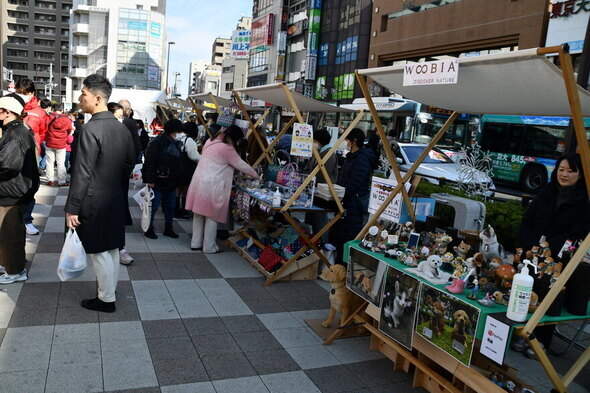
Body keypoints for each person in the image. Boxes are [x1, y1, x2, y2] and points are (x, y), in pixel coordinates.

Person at [65, 74, 135, 312]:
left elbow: (81, 172)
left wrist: (72, 207)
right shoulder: (122, 128)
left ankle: (106, 299)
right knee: (111, 248)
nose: (79, 97)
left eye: (83, 93)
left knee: (99, 251)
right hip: (114, 195)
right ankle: (108, 292)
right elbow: (130, 162)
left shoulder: (90, 129)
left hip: (94, 199)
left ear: (97, 98)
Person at [513, 153, 590, 358]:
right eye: (561, 169)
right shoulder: (546, 191)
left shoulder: (584, 201)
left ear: (581, 175)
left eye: (570, 171)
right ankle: (519, 333)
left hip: (558, 259)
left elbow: (576, 234)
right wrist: (532, 245)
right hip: (531, 254)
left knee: (550, 297)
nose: (564, 174)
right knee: (525, 295)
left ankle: (541, 341)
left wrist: (548, 249)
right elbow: (527, 221)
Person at [186, 125, 259, 253]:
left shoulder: (210, 141)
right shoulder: (227, 148)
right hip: (212, 184)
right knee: (211, 215)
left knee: (198, 213)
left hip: (198, 180)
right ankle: (209, 247)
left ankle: (195, 242)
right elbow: (241, 165)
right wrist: (256, 175)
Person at [0, 94, 40, 284]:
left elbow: (8, 164)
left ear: (7, 112)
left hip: (12, 191)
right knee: (9, 232)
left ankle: (15, 271)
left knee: (10, 233)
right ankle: (8, 264)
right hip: (16, 189)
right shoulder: (18, 130)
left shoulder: (16, 133)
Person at [330, 128, 377, 265]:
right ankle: (339, 267)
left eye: (347, 139)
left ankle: (343, 268)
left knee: (348, 237)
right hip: (345, 201)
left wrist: (343, 194)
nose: (346, 142)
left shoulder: (362, 157)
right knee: (340, 236)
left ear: (354, 140)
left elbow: (356, 181)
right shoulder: (351, 156)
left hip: (353, 203)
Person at [16, 78, 47, 236]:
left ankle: (27, 219)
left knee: (30, 187)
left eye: (25, 93)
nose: (22, 96)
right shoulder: (10, 106)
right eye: (19, 92)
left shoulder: (39, 112)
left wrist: (36, 147)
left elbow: (42, 132)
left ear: (32, 93)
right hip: (11, 152)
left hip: (31, 153)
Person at [142, 119, 183, 239]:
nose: (181, 134)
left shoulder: (177, 143)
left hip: (171, 180)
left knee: (170, 206)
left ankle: (168, 228)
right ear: (173, 131)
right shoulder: (157, 143)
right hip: (158, 180)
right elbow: (150, 162)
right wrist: (150, 180)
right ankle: (149, 228)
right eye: (179, 131)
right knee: (153, 207)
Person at [107, 102, 136, 265]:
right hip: (99, 183)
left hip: (118, 179)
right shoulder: (94, 129)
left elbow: (131, 154)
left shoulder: (125, 129)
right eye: (118, 116)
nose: (121, 119)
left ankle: (120, 248)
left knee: (117, 212)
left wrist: (123, 173)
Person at [305, 128, 338, 238]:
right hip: (313, 191)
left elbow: (323, 175)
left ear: (320, 141)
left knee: (319, 221)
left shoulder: (329, 153)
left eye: (314, 141)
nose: (313, 143)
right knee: (312, 220)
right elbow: (310, 167)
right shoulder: (318, 152)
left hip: (322, 193)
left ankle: (321, 245)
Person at [175, 122, 200, 220]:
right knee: (185, 190)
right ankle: (183, 211)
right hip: (186, 168)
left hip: (177, 167)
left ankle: (176, 210)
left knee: (177, 190)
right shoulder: (189, 140)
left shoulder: (178, 137)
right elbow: (193, 156)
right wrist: (203, 159)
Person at [45, 103, 73, 187]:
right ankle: (62, 181)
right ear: (62, 110)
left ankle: (50, 180)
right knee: (61, 163)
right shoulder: (67, 119)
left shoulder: (48, 117)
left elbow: (45, 128)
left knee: (49, 162)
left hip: (50, 142)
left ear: (53, 109)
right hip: (61, 144)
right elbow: (69, 131)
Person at [118, 99, 141, 163]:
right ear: (126, 110)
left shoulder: (110, 121)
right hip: (126, 158)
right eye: (130, 110)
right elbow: (135, 143)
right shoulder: (130, 123)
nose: (130, 112)